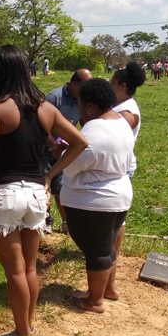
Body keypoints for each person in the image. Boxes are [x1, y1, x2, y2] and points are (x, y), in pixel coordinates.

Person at [0, 45, 88, 336]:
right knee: (31, 268)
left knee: (15, 272)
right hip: (36, 194)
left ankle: (21, 334)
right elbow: (79, 142)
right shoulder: (45, 107)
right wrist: (49, 176)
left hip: (4, 194)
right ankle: (28, 326)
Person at [61, 78, 134, 313]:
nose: (81, 111)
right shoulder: (120, 121)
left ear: (90, 106)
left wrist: (63, 153)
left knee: (97, 251)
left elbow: (72, 167)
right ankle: (108, 289)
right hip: (118, 195)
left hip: (94, 200)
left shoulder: (93, 131)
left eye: (82, 106)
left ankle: (94, 301)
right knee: (107, 246)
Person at [44, 68, 93, 234]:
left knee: (62, 186)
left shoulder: (82, 99)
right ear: (74, 83)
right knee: (44, 184)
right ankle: (46, 220)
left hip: (65, 150)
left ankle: (66, 222)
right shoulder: (54, 97)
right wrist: (55, 144)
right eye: (85, 85)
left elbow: (84, 122)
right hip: (46, 148)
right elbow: (43, 126)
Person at [110, 61, 146, 281]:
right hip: (117, 165)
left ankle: (113, 255)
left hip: (120, 167)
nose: (109, 86)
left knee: (117, 218)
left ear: (122, 86)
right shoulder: (121, 107)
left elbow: (110, 134)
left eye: (112, 83)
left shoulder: (127, 112)